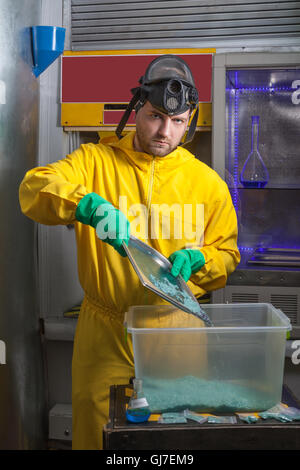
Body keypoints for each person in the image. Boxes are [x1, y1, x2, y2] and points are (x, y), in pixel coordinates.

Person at [19, 55, 240, 449]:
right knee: (97, 437)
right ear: (137, 108)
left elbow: (227, 254)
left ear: (189, 121)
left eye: (178, 122)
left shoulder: (208, 184)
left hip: (178, 334)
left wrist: (203, 261)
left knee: (174, 441)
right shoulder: (94, 162)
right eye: (155, 116)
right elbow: (34, 190)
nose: (164, 132)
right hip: (105, 331)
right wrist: (86, 204)